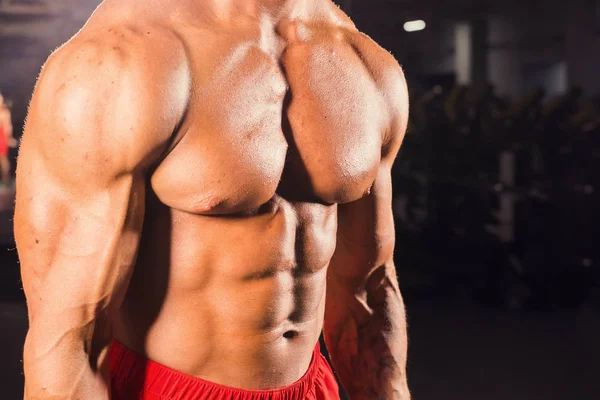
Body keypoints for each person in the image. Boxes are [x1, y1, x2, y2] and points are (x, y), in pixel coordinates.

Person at [15, 0, 410, 399]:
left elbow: (369, 291)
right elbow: (69, 339)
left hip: (310, 388)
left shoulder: (365, 64)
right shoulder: (118, 60)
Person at [0, 92, 17, 186]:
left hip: (1, 138)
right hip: (2, 137)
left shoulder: (4, 113)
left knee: (4, 161)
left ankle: (6, 180)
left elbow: (7, 127)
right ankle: (6, 180)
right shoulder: (4, 112)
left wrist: (9, 138)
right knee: (3, 161)